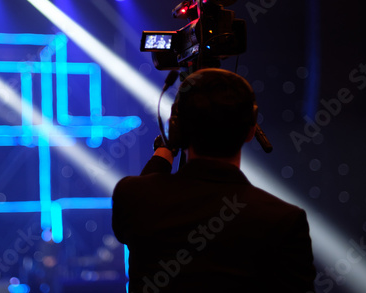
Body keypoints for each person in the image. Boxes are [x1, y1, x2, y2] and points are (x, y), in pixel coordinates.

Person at [112, 68, 316, 293]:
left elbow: (146, 196)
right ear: (250, 130)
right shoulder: (285, 220)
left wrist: (164, 149)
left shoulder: (132, 196)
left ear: (176, 128)